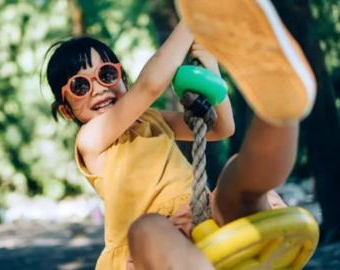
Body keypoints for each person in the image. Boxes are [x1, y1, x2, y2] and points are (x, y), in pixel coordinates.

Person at [44, 0, 316, 268]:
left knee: (237, 183)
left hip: (199, 220)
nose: (98, 88)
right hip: (148, 252)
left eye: (106, 74)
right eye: (80, 86)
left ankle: (281, 111)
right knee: (148, 228)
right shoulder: (91, 140)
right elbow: (150, 86)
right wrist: (196, 18)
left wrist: (210, 64)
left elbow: (222, 127)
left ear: (122, 78)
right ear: (67, 112)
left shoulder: (152, 119)